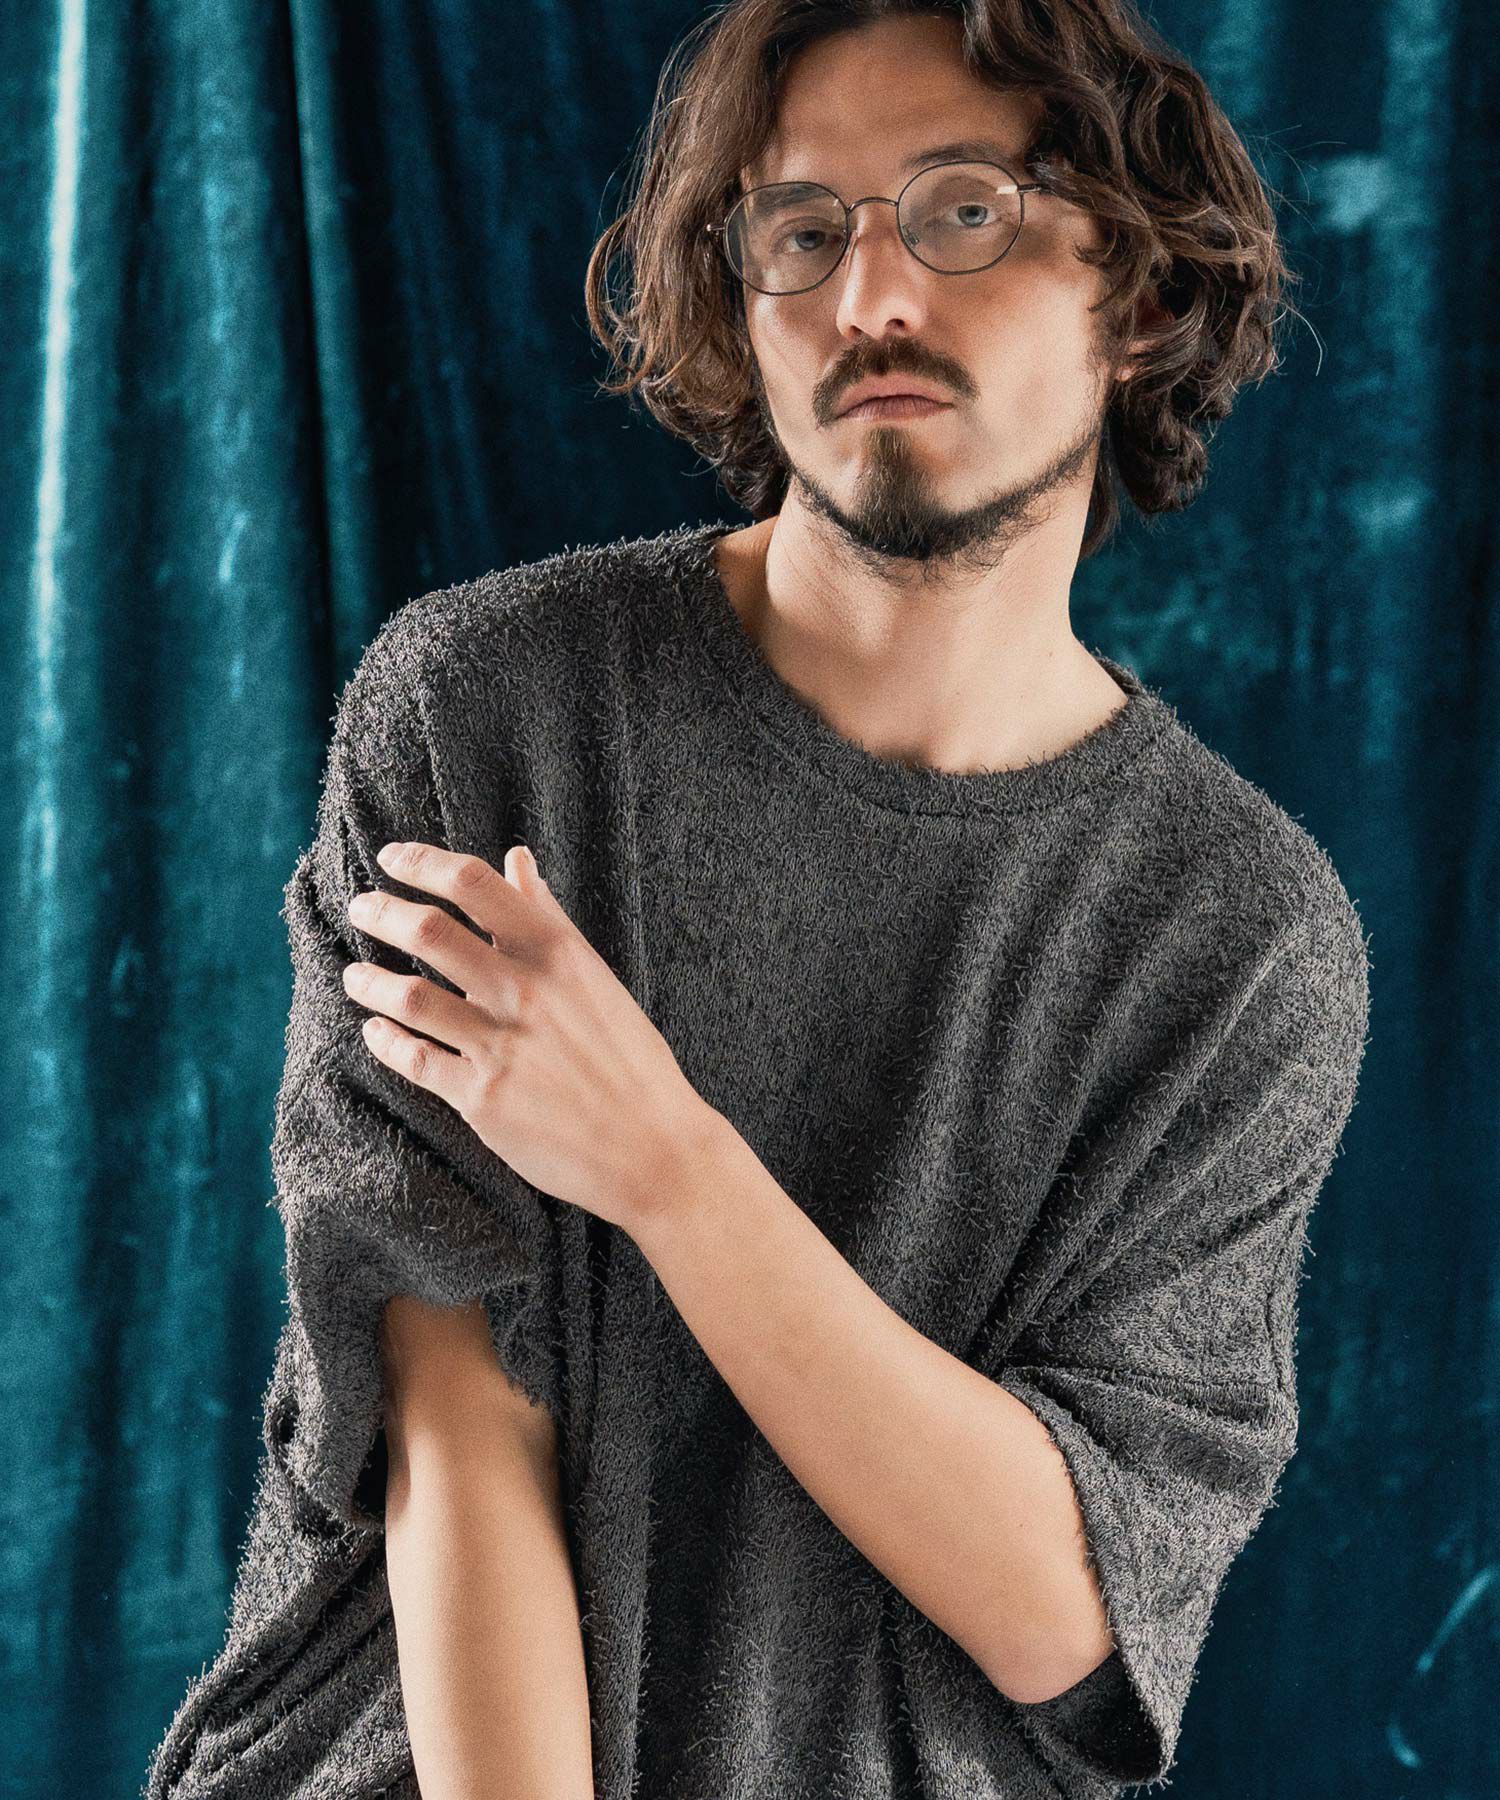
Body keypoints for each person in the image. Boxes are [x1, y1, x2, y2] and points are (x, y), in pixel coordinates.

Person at [145, 4, 1370, 1798]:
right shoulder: (485, 710)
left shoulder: (1241, 937)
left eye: (964, 211)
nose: (871, 294)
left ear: (1139, 295)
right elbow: (447, 1411)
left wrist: (666, 1168)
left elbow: (1067, 1613)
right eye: (803, 228)